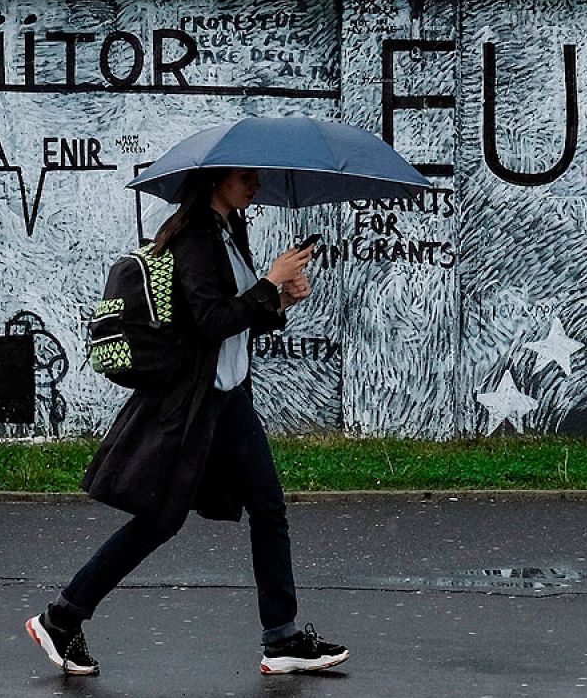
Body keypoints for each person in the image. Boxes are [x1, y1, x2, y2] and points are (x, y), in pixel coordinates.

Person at [24, 167, 349, 676]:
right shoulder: (196, 237)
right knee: (161, 519)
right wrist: (268, 280)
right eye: (246, 177)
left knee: (268, 507)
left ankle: (282, 638)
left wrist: (280, 300)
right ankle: (62, 617)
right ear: (217, 181)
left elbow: (233, 322)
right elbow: (211, 321)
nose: (255, 186)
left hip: (228, 397)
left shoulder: (228, 231)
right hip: (196, 403)